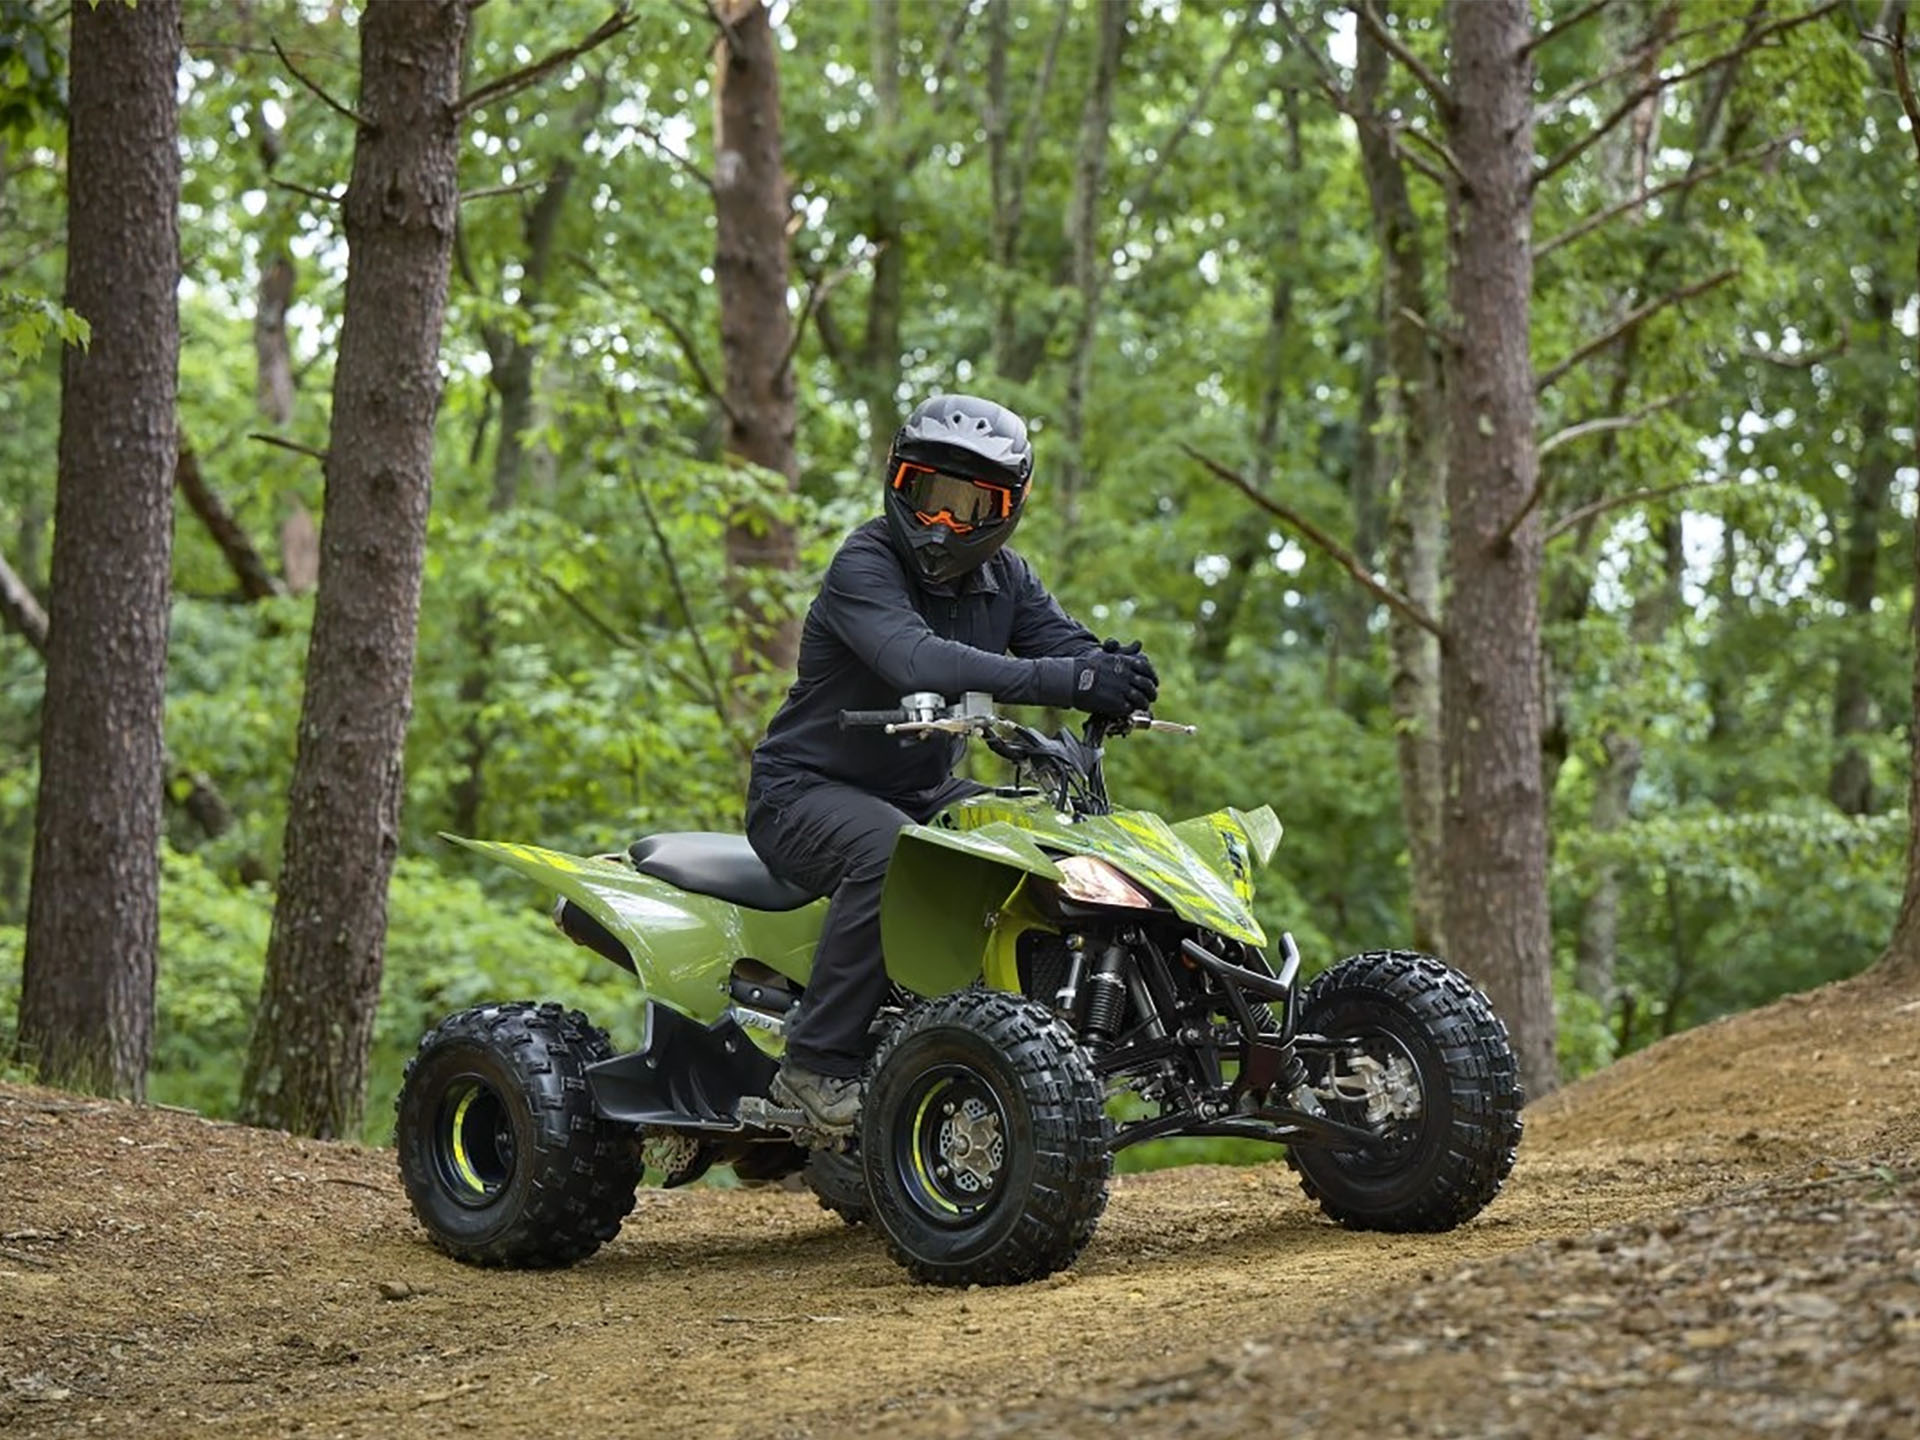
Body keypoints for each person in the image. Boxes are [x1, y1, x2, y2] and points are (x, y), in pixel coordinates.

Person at [745, 393, 1159, 1132]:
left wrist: (1115, 672)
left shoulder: (1009, 578)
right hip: (803, 792)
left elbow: (1064, 649)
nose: (942, 522)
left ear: (1007, 508)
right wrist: (1067, 681)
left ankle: (1091, 1031)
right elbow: (916, 659)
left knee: (1052, 836)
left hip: (920, 788)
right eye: (928, 496)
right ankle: (813, 1067)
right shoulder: (864, 562)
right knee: (892, 856)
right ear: (898, 484)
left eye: (969, 505)